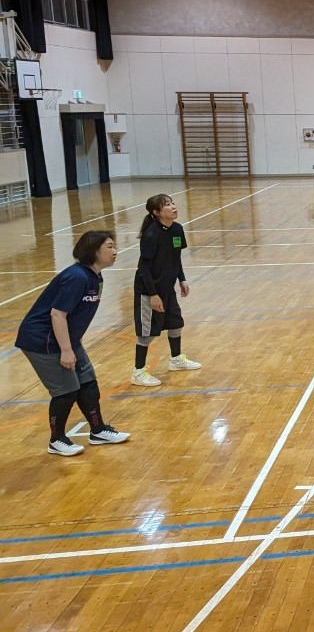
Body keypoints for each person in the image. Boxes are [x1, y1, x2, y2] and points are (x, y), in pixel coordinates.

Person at [15, 230, 130, 455]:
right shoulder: (77, 277)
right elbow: (57, 314)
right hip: (43, 340)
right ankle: (56, 440)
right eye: (109, 247)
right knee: (66, 391)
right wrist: (66, 350)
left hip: (66, 338)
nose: (115, 251)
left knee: (88, 383)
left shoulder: (95, 276)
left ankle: (98, 430)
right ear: (93, 251)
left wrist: (72, 343)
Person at [131, 194, 201, 387]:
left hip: (167, 287)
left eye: (172, 203)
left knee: (175, 323)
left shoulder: (177, 229)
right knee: (147, 333)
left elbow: (175, 257)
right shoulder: (151, 235)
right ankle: (138, 372)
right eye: (167, 205)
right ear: (156, 212)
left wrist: (182, 279)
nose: (173, 207)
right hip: (148, 290)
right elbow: (143, 267)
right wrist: (153, 295)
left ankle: (176, 360)